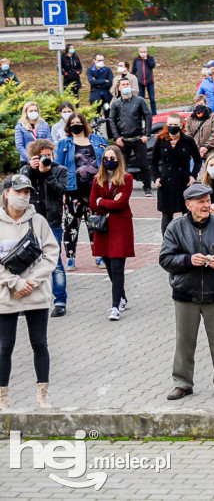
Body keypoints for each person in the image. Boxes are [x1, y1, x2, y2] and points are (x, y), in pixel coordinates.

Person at [160, 183, 214, 401]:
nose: (207, 205)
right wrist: (188, 260)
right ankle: (183, 383)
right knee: (184, 342)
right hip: (185, 293)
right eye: (201, 202)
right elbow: (165, 259)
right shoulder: (175, 227)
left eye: (208, 201)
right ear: (189, 205)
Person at [0, 174, 61, 410]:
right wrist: (15, 283)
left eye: (27, 192)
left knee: (39, 343)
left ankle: (43, 396)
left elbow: (51, 255)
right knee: (5, 346)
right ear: (6, 194)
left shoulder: (38, 222)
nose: (24, 196)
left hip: (36, 295)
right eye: (19, 192)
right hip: (7, 294)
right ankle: (3, 398)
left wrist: (32, 282)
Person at [20, 140, 68, 318]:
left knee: (55, 263)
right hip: (30, 223)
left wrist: (47, 174)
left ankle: (60, 301)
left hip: (52, 221)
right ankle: (27, 302)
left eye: (49, 155)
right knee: (28, 264)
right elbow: (21, 190)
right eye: (42, 156)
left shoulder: (59, 170)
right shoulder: (26, 170)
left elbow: (60, 191)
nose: (46, 158)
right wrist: (32, 171)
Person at [89, 145, 135, 321]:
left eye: (112, 158)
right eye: (106, 158)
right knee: (108, 265)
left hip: (120, 226)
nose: (109, 161)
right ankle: (122, 296)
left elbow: (122, 203)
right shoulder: (97, 179)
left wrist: (103, 201)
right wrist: (106, 202)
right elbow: (92, 203)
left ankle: (115, 306)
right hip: (103, 227)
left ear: (118, 160)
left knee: (117, 268)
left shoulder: (127, 178)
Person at [56, 113, 105, 272]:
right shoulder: (64, 144)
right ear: (68, 126)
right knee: (70, 225)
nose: (76, 125)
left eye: (79, 122)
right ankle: (70, 258)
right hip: (72, 191)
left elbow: (106, 161)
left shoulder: (97, 140)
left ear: (84, 124)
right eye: (73, 123)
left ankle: (99, 255)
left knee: (95, 224)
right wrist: (61, 191)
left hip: (94, 190)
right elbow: (59, 169)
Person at [152, 113, 201, 233]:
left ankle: (189, 239)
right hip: (166, 183)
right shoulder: (160, 140)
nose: (172, 127)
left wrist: (193, 175)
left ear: (181, 126)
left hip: (184, 182)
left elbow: (198, 160)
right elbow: (153, 162)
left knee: (188, 213)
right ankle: (167, 243)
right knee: (167, 216)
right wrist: (156, 178)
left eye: (175, 125)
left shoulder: (188, 141)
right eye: (170, 125)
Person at [183, 95, 214, 159]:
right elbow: (187, 133)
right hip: (195, 151)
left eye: (202, 104)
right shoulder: (190, 118)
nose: (200, 106)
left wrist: (206, 147)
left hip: (211, 153)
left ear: (206, 104)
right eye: (197, 105)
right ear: (194, 106)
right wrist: (198, 147)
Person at [131, 47, 157, 113]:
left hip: (149, 81)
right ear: (139, 52)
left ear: (147, 52)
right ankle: (143, 113)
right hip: (140, 82)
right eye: (141, 52)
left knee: (152, 98)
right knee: (141, 98)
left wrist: (146, 59)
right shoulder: (136, 60)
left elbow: (152, 66)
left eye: (144, 52)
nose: (143, 53)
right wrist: (135, 78)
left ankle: (154, 113)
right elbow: (133, 70)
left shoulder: (150, 58)